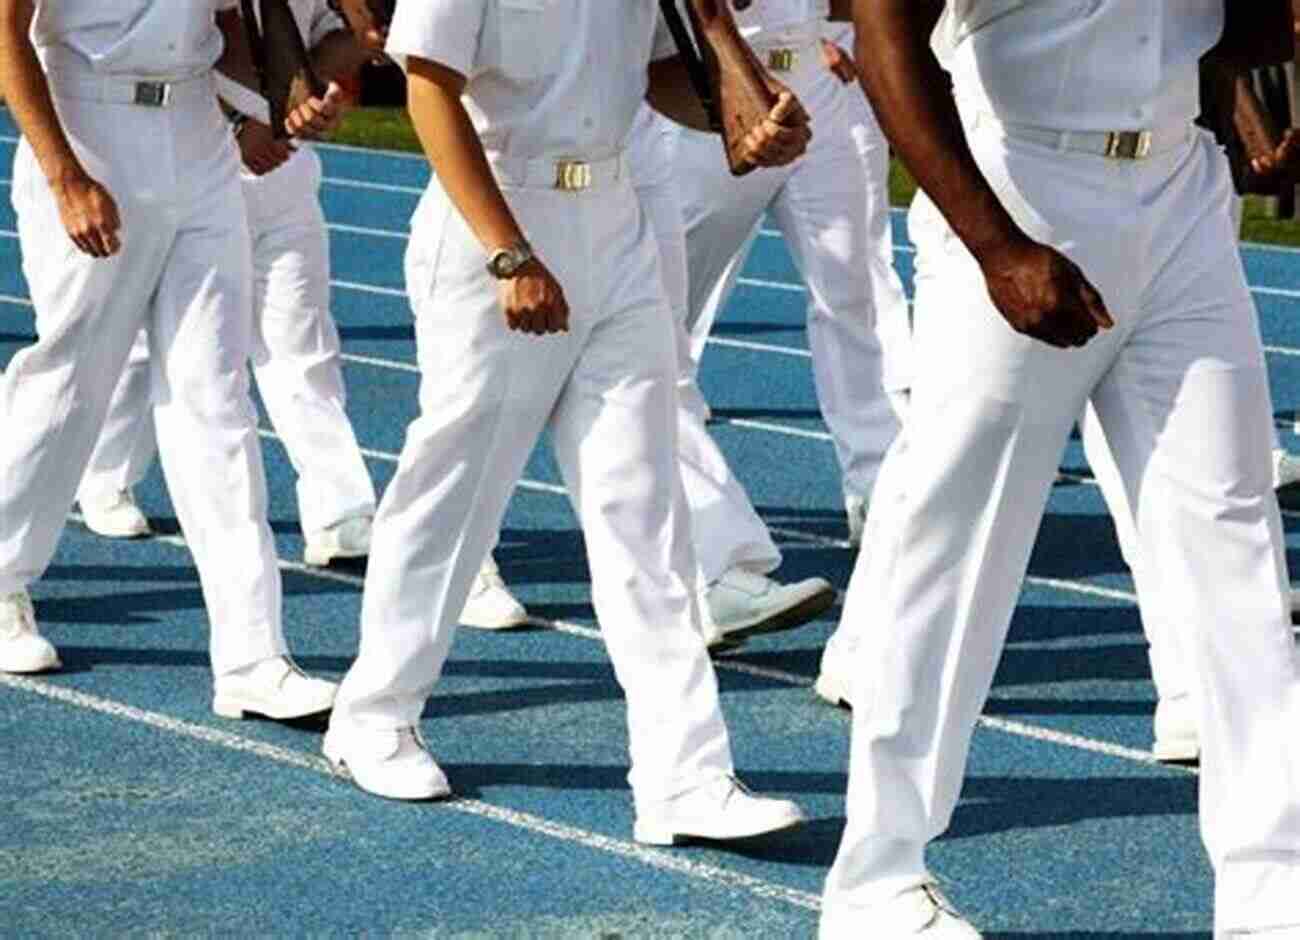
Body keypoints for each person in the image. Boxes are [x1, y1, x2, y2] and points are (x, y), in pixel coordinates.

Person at [820, 1, 1300, 936]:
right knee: (956, 547)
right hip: (1022, 183)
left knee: (1236, 545)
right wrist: (997, 249)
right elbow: (886, 43)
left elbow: (1240, 31)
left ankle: (1275, 885)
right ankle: (876, 882)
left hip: (1179, 192)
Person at [322, 0, 815, 847]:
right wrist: (508, 252)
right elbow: (428, 91)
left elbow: (662, 75)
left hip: (616, 217)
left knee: (643, 511)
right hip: (499, 223)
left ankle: (684, 779)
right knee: (453, 494)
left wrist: (745, 114)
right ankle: (373, 717)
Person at [0, 0, 336, 723]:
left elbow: (227, 28)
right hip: (88, 128)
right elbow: (5, 36)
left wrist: (277, 106)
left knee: (215, 398)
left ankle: (253, 657)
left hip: (197, 137)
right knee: (70, 380)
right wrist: (66, 179)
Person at [670, 4, 913, 549]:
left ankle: (878, 485)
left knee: (853, 286)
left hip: (817, 77)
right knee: (661, 313)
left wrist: (841, 32)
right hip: (716, 81)